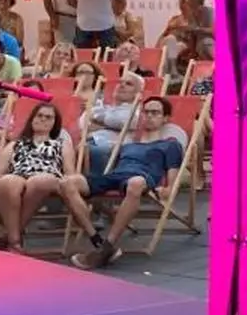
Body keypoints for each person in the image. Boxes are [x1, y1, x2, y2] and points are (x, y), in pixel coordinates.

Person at [65, 96, 187, 268]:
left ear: (165, 119)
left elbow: (172, 177)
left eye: (155, 113)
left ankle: (109, 243)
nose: (149, 116)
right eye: (146, 112)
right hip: (117, 176)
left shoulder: (170, 145)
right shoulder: (127, 144)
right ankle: (98, 241)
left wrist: (168, 189)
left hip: (142, 178)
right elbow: (112, 169)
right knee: (68, 183)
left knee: (135, 183)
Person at [0, 100, 88, 249]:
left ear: (55, 123)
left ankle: (10, 237)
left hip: (48, 179)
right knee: (7, 181)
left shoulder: (61, 144)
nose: (43, 119)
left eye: (49, 117)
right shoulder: (15, 144)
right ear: (32, 119)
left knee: (39, 181)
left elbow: (69, 174)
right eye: (39, 115)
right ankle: (14, 241)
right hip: (19, 176)